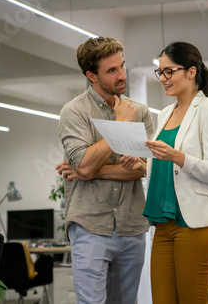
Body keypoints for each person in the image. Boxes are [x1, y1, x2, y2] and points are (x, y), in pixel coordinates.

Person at [120, 42, 208, 304]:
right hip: (163, 224)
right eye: (160, 72)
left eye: (170, 72)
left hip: (194, 224)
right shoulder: (166, 113)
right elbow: (171, 176)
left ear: (191, 72)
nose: (164, 79)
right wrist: (144, 168)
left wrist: (177, 157)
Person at [56, 36, 154, 304]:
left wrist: (90, 171)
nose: (122, 75)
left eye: (122, 66)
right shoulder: (74, 112)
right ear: (91, 75)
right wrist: (120, 127)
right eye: (112, 70)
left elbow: (142, 169)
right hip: (90, 226)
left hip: (132, 225)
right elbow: (84, 164)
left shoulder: (140, 112)